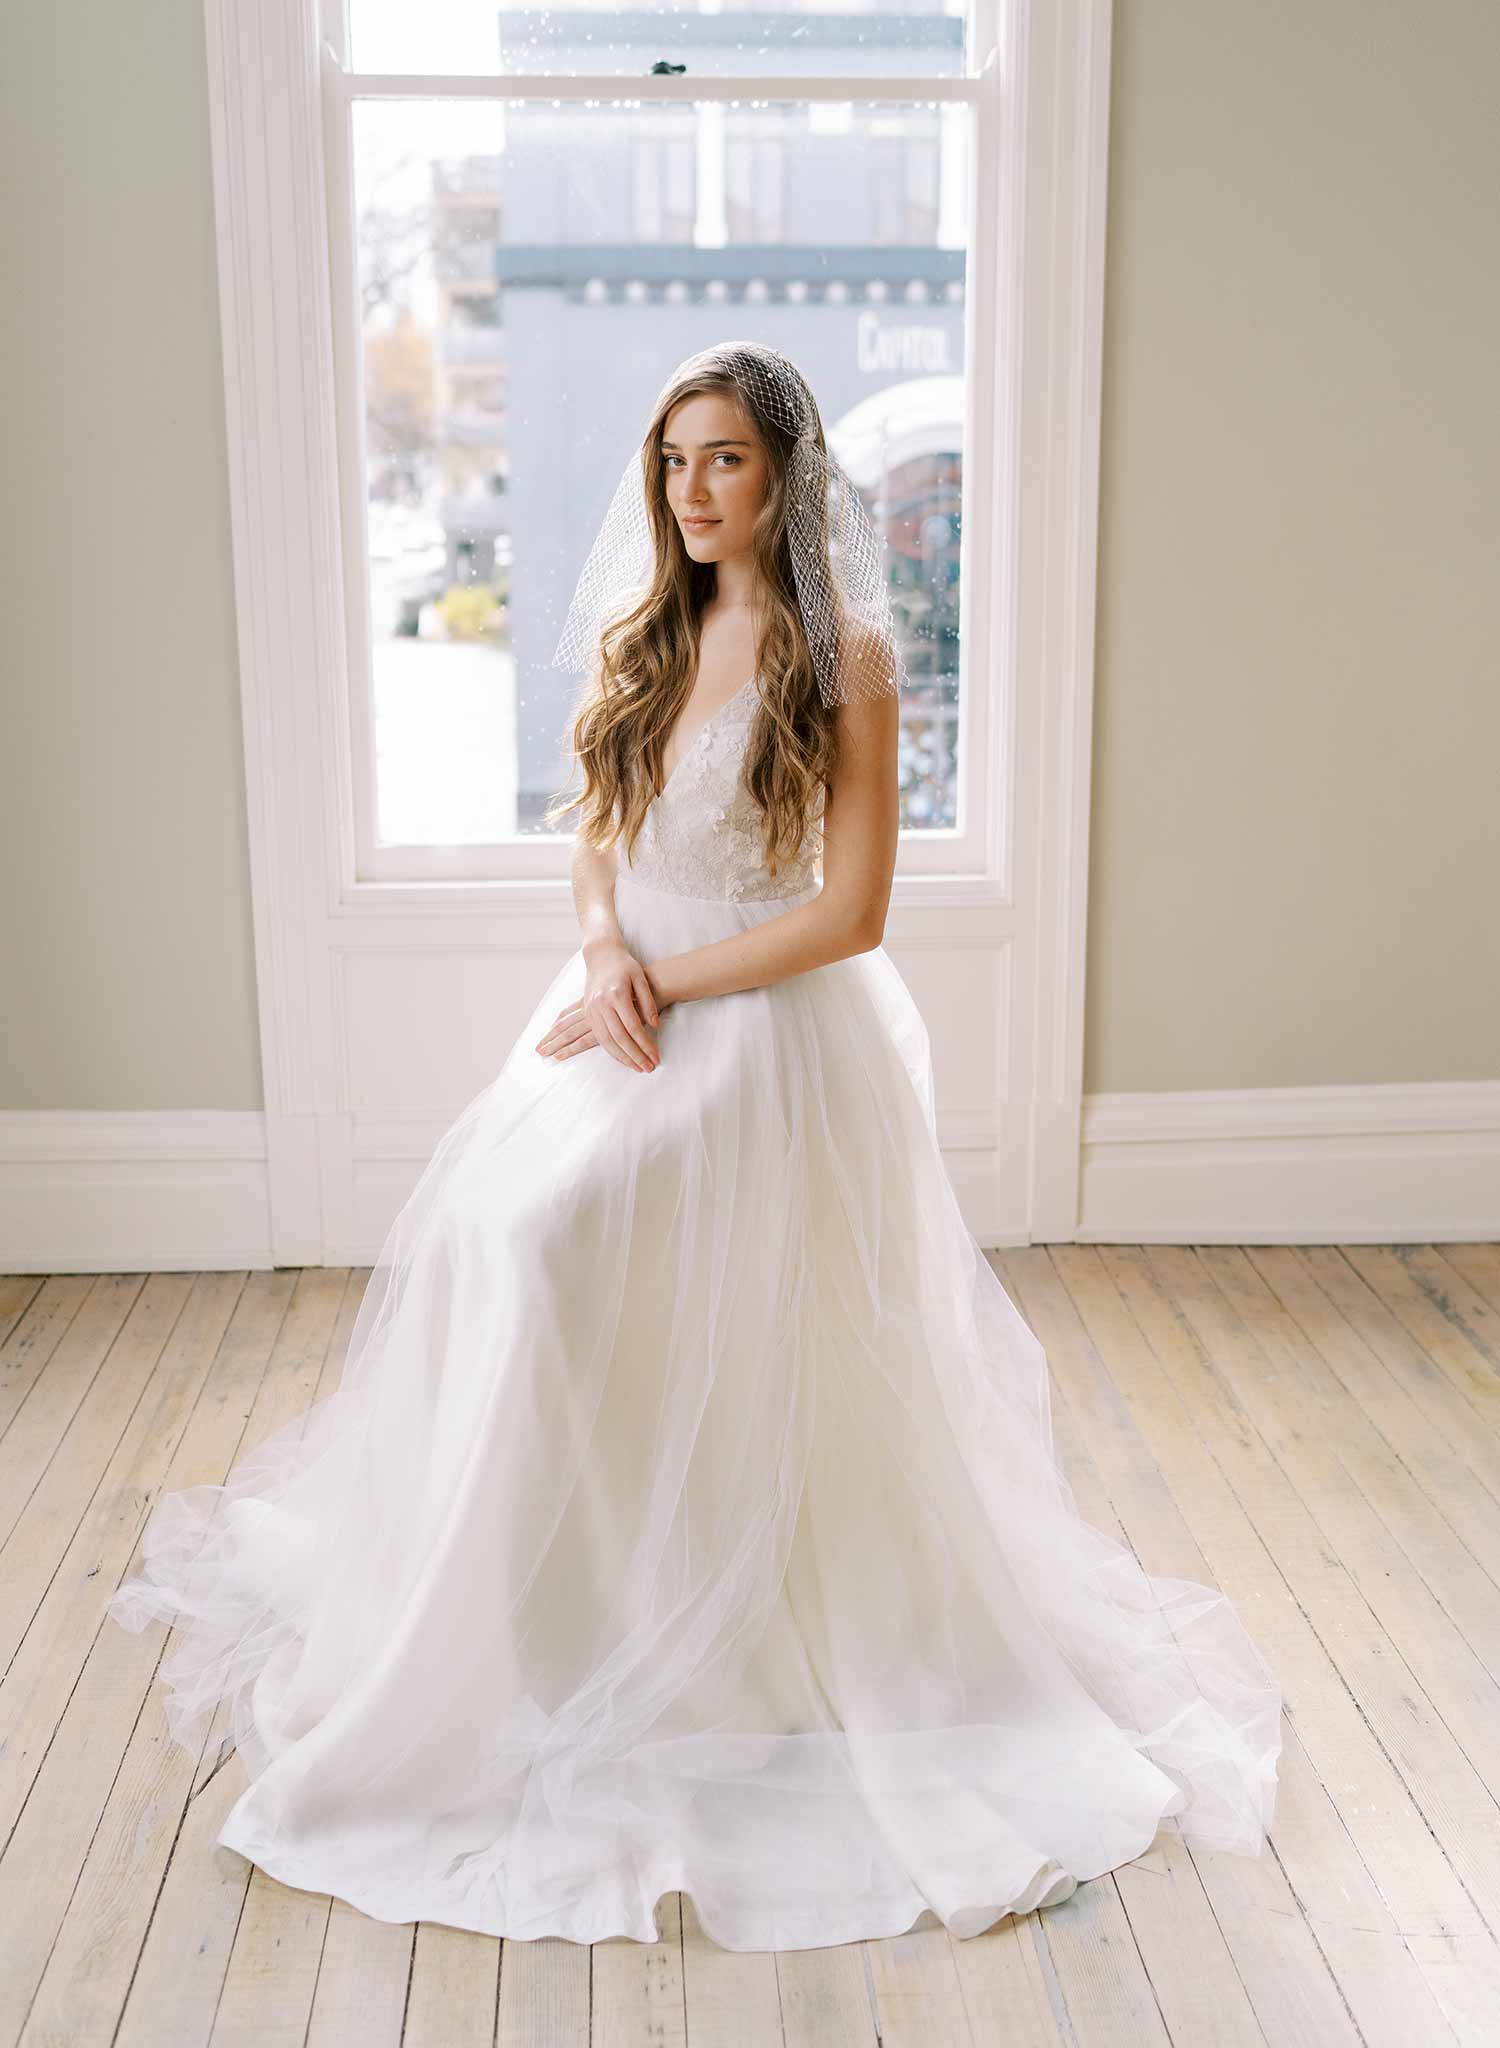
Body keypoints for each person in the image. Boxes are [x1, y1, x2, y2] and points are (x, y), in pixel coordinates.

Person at [105, 340, 1281, 1953]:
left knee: (558, 1248)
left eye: (723, 460)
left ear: (785, 474)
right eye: (674, 461)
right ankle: (533, 1613)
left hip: (760, 1027)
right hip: (618, 1013)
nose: (692, 491)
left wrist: (665, 977)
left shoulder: (844, 650)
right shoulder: (650, 628)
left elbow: (851, 911)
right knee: (491, 1242)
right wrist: (604, 958)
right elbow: (596, 839)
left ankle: (695, 1626)